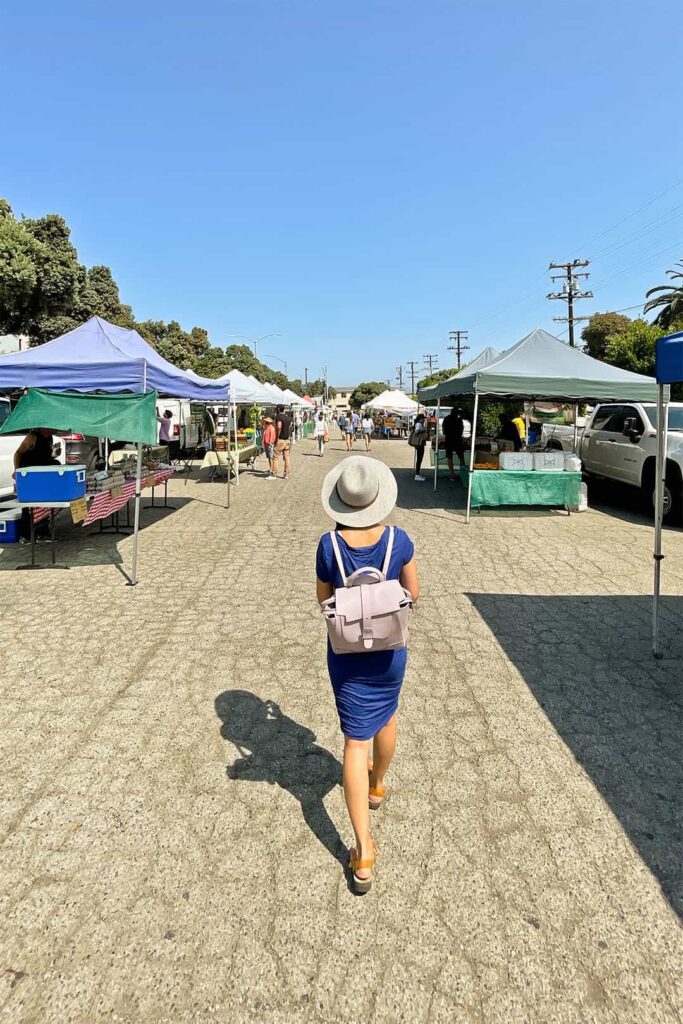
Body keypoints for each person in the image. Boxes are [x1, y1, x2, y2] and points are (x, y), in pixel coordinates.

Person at [315, 458, 419, 893]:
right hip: (390, 651)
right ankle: (378, 787)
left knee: (355, 741)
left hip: (347, 654)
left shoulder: (328, 545)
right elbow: (414, 593)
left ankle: (364, 851)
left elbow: (323, 600)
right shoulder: (400, 539)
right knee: (389, 717)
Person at [13, 428, 59, 542]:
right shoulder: (32, 438)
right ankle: (26, 535)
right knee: (28, 506)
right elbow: (18, 453)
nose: (58, 429)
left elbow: (42, 457)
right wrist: (17, 471)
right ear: (46, 427)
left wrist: (54, 455)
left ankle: (42, 533)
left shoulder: (49, 438)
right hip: (28, 475)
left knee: (44, 503)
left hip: (41, 475)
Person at [442, 407, 465, 478]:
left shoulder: (446, 419)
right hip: (458, 439)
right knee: (461, 457)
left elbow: (443, 430)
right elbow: (461, 430)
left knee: (449, 457)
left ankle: (452, 474)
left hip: (448, 439)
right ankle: (462, 473)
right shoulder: (459, 420)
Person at [273, 404, 291, 479]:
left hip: (280, 440)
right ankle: (286, 474)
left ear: (278, 409)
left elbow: (279, 426)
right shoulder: (287, 418)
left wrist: (276, 437)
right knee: (287, 457)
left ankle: (274, 474)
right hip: (287, 440)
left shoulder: (278, 417)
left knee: (275, 457)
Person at [410, 413, 428, 481]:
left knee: (419, 458)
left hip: (419, 444)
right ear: (421, 419)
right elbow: (416, 431)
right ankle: (417, 475)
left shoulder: (417, 424)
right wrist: (423, 430)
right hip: (420, 444)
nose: (424, 420)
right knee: (419, 459)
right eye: (423, 418)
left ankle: (417, 474)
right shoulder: (419, 424)